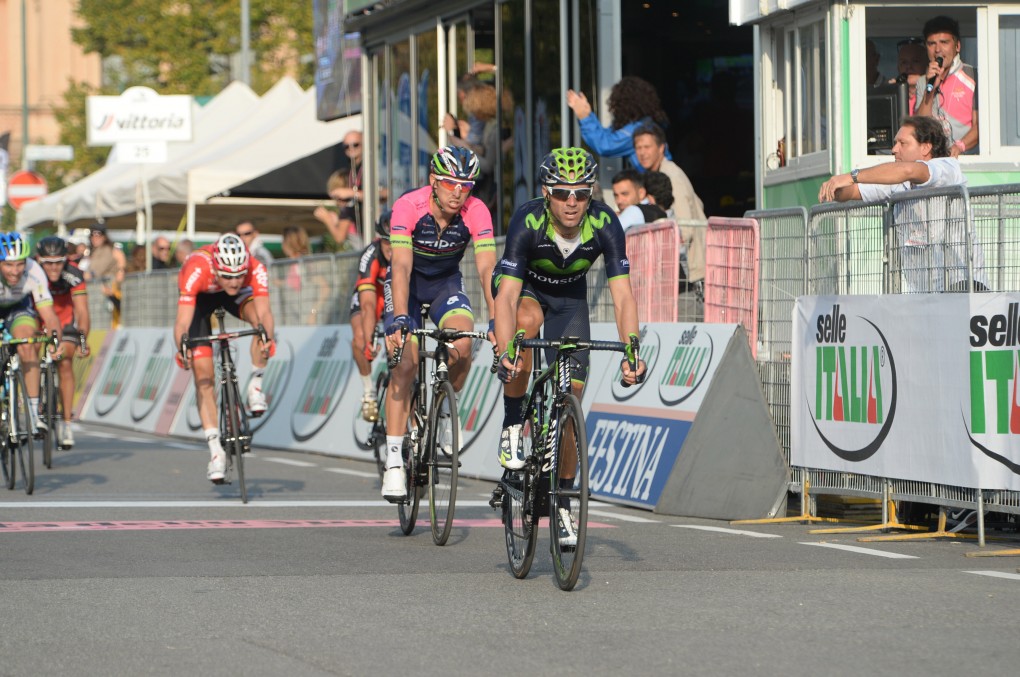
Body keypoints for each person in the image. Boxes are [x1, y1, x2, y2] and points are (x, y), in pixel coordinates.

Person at [492, 148, 646, 544]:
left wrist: (632, 350)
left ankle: (562, 502)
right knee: (526, 326)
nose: (572, 201)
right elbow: (506, 298)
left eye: (581, 192)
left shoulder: (605, 223)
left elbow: (623, 297)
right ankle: (513, 423)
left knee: (571, 399)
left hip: (569, 301)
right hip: (525, 290)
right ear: (547, 193)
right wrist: (507, 350)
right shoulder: (528, 220)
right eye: (562, 193)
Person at [381, 146, 497, 500]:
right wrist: (400, 318)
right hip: (407, 285)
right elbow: (401, 265)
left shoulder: (476, 210)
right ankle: (394, 462)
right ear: (433, 180)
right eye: (450, 183)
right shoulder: (408, 206)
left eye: (466, 185)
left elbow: (487, 269)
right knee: (405, 364)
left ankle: (446, 407)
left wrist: (497, 318)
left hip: (446, 284)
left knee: (462, 344)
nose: (458, 192)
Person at [818, 115, 987, 293]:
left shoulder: (947, 167)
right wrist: (834, 189)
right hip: (925, 294)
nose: (894, 149)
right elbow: (853, 192)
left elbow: (908, 170)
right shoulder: (898, 181)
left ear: (926, 147)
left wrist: (851, 176)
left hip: (964, 288)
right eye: (895, 143)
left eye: (902, 143)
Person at [174, 233, 276, 483]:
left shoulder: (255, 268)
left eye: (239, 275)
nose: (234, 281)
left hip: (234, 299)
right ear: (216, 267)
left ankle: (255, 385)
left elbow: (265, 312)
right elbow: (182, 322)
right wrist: (182, 348)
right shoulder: (196, 267)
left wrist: (267, 338)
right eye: (228, 276)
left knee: (261, 325)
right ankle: (215, 453)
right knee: (204, 377)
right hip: (201, 299)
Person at [632, 123, 707, 298]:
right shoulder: (657, 175)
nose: (642, 153)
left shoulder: (672, 177)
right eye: (638, 148)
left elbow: (685, 228)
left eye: (647, 147)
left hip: (692, 273)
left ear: (661, 148)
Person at [0, 233, 62, 435]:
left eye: (20, 264)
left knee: (27, 344)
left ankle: (34, 415)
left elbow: (49, 315)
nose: (15, 271)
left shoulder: (34, 271)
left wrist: (55, 341)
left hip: (18, 308)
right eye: (8, 265)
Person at [34, 236, 90, 447]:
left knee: (65, 361)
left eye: (58, 262)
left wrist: (82, 340)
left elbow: (82, 311)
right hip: (39, 319)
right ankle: (34, 405)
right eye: (48, 263)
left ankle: (67, 423)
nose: (54, 268)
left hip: (65, 323)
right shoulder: (32, 271)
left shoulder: (73, 273)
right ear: (39, 260)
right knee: (30, 349)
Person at [566, 76, 671, 173]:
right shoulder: (643, 123)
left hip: (660, 181)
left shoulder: (640, 129)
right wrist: (588, 114)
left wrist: (584, 117)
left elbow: (605, 145)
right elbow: (607, 136)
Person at [349, 212, 392, 421]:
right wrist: (369, 340)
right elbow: (367, 305)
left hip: (394, 296)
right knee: (360, 338)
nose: (391, 248)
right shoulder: (371, 254)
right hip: (372, 295)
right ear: (379, 239)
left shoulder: (411, 252)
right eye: (387, 242)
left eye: (396, 242)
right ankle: (368, 392)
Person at [914, 15, 978, 156]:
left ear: (957, 46)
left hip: (967, 160)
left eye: (944, 42)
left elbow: (981, 126)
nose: (938, 49)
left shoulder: (974, 76)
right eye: (932, 44)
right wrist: (930, 90)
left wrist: (960, 146)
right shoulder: (923, 81)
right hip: (934, 162)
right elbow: (921, 127)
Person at [443, 78, 500, 213]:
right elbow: (482, 150)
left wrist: (463, 146)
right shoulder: (489, 128)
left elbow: (487, 165)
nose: (473, 115)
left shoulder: (494, 130)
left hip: (487, 190)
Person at [82, 223, 126, 328]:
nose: (95, 237)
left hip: (106, 292)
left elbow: (95, 271)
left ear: (104, 237)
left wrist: (80, 277)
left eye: (98, 234)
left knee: (103, 325)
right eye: (92, 235)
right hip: (100, 293)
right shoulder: (95, 251)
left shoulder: (106, 250)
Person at [313, 170, 362, 252]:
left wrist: (327, 219)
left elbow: (339, 238)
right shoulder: (351, 207)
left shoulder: (348, 208)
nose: (336, 201)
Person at [891, 37, 929, 114]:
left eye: (915, 61)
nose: (909, 66)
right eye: (904, 62)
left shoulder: (936, 95)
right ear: (898, 68)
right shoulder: (893, 97)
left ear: (927, 65)